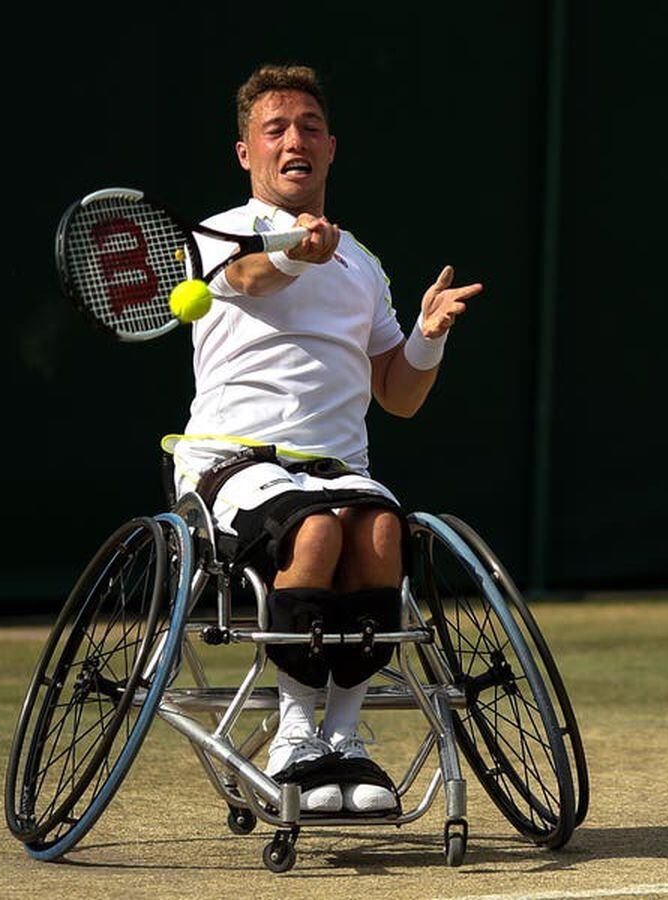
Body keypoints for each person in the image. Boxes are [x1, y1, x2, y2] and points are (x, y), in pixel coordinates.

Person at [168, 64, 483, 812]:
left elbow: (397, 396)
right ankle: (294, 735)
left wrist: (427, 338)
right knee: (315, 533)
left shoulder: (363, 265)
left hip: (339, 472)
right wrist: (291, 251)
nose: (293, 140)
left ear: (331, 148)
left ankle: (344, 744)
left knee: (379, 532)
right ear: (246, 152)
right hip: (232, 469)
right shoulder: (217, 234)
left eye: (308, 127)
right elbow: (248, 279)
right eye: (273, 129)